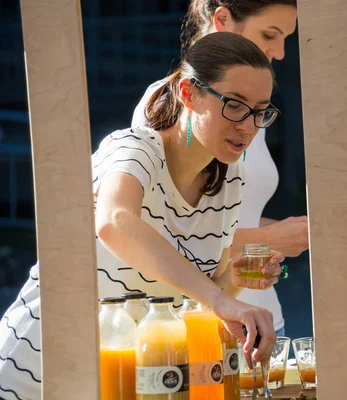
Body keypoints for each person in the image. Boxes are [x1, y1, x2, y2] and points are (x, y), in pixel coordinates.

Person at [0, 32, 284, 400]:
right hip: (34, 374)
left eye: (261, 111)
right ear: (188, 93)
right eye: (234, 104)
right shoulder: (135, 147)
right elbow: (114, 221)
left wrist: (233, 279)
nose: (248, 125)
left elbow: (195, 303)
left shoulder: (230, 180)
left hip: (115, 384)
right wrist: (222, 300)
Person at [132, 0, 308, 337]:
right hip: (201, 323)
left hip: (260, 311)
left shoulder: (251, 118)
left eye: (259, 111)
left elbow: (220, 220)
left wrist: (296, 231)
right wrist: (269, 239)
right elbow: (158, 232)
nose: (281, 51)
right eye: (270, 33)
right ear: (223, 19)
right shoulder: (168, 107)